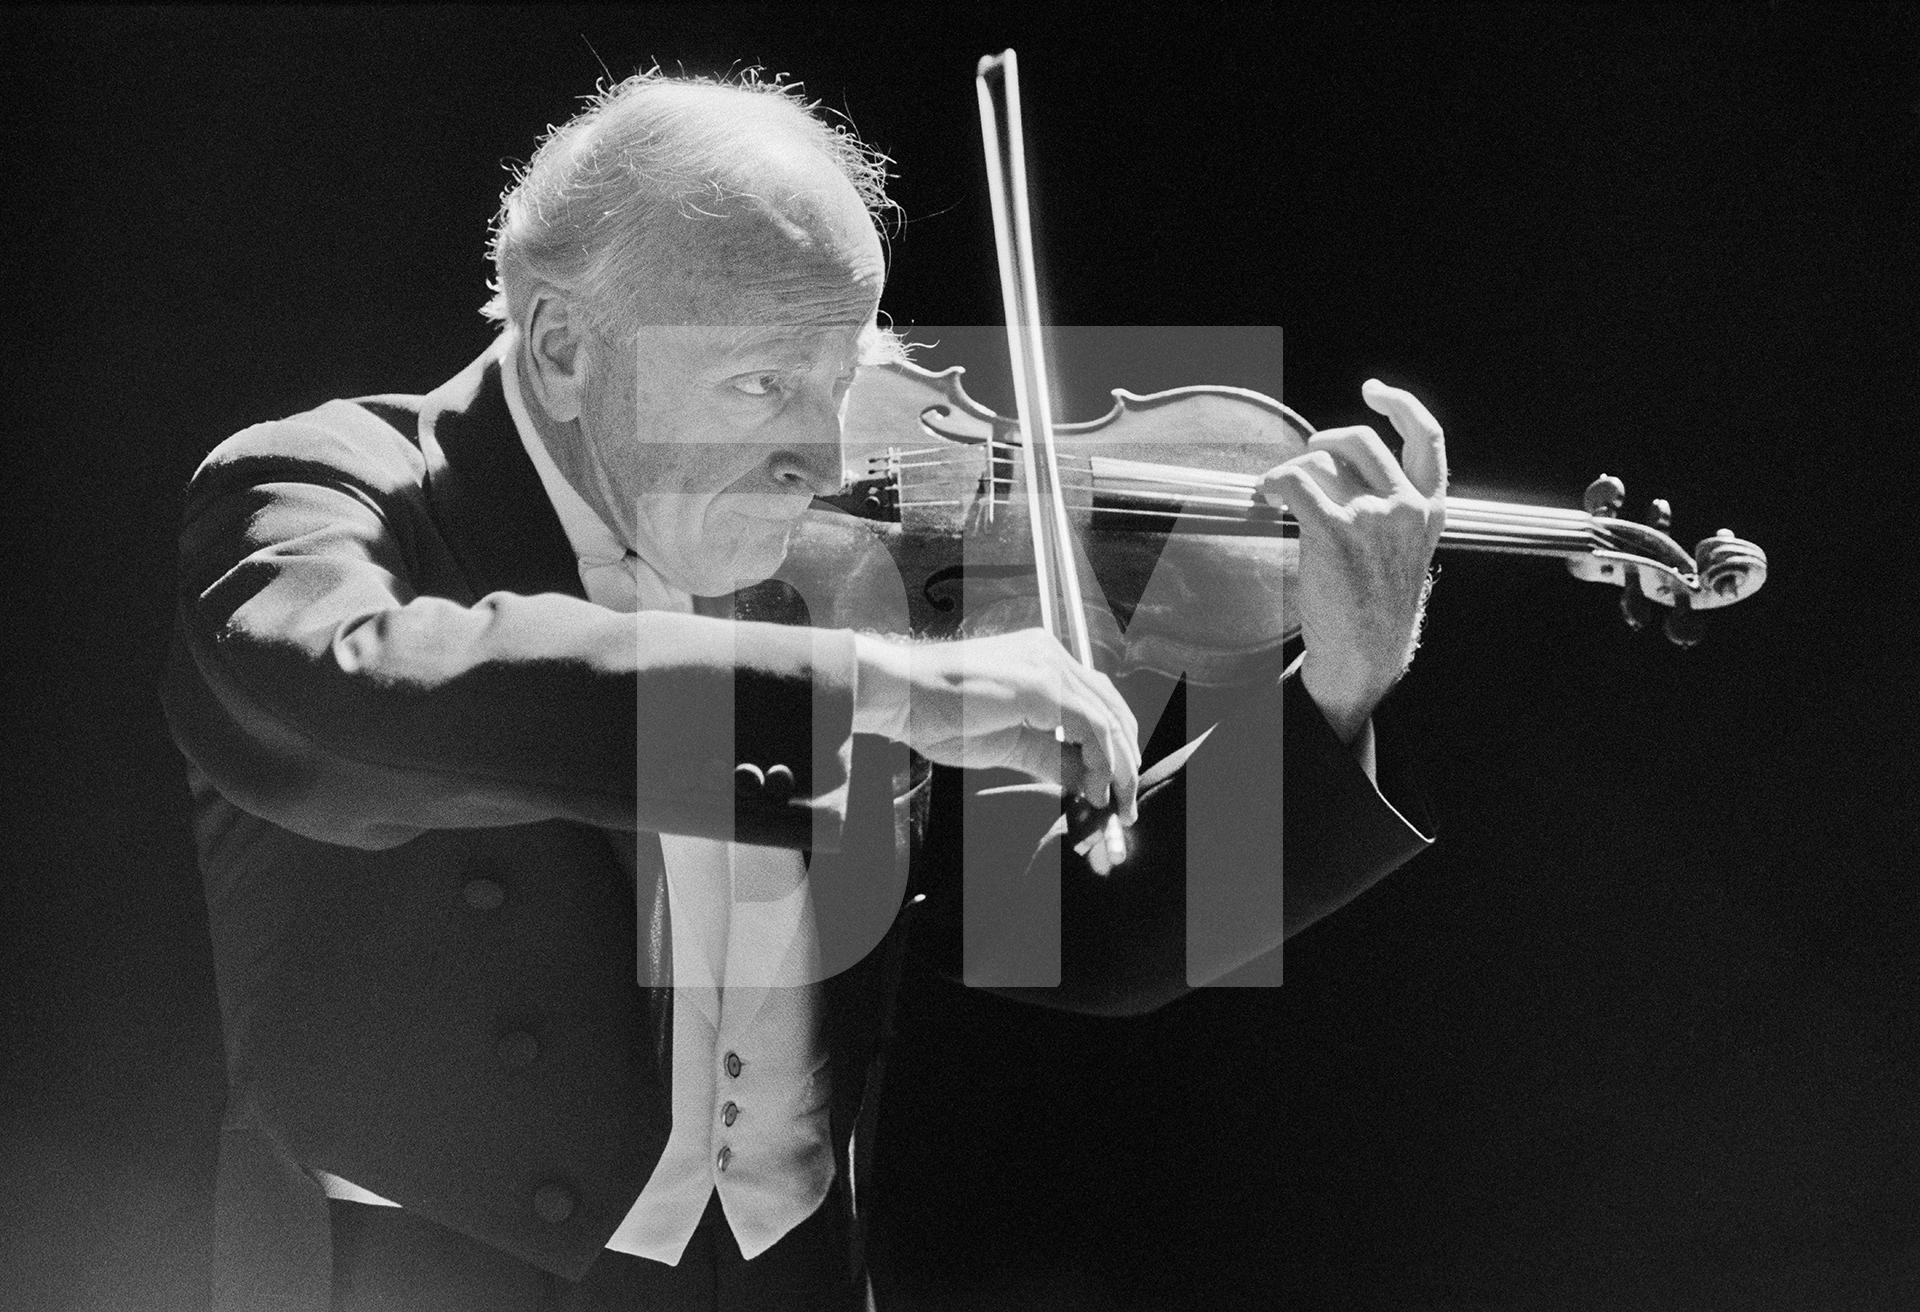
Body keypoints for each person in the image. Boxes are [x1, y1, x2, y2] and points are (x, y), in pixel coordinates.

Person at [162, 70, 1439, 1311]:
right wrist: (863, 687)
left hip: (787, 1272)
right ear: (561, 345)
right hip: (417, 1272)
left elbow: (1070, 927)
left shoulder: (844, 567)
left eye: (838, 382)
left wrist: (1335, 684)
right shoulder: (330, 488)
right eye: (765, 382)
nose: (819, 461)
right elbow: (336, 697)